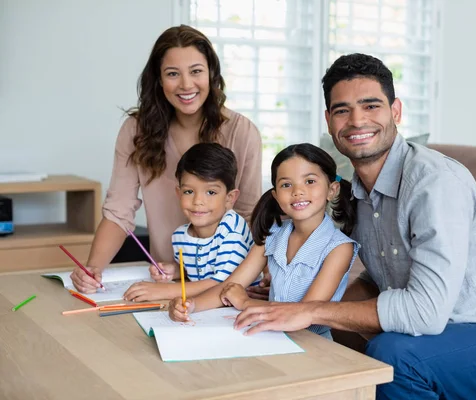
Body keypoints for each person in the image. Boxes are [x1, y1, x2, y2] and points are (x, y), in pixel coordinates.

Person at [230, 54, 476, 399]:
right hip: (436, 338)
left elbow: (425, 312)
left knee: (391, 354)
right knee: (308, 334)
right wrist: (293, 295)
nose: (357, 120)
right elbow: (379, 279)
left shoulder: (434, 183)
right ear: (328, 121)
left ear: (395, 112)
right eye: (342, 110)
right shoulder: (356, 195)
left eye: (371, 106)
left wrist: (307, 309)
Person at [70, 25, 264, 294]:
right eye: (173, 74)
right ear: (159, 80)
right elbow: (118, 212)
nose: (186, 85)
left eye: (196, 71)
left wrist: (245, 283)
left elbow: (249, 218)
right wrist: (93, 270)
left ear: (212, 74)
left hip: (224, 286)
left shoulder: (241, 132)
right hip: (164, 279)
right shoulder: (135, 131)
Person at [168, 143, 359, 340]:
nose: (298, 191)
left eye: (310, 181)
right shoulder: (271, 236)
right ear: (275, 195)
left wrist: (245, 303)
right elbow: (230, 285)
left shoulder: (339, 248)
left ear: (332, 190)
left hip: (313, 344)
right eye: (286, 184)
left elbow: (305, 313)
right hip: (267, 336)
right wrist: (191, 305)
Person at [122, 143, 261, 301]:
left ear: (230, 198)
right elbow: (193, 272)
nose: (198, 201)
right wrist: (174, 270)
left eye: (210, 192)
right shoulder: (180, 236)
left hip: (235, 308)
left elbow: (223, 284)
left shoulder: (233, 230)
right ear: (179, 193)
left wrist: (164, 290)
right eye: (189, 191)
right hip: (202, 308)